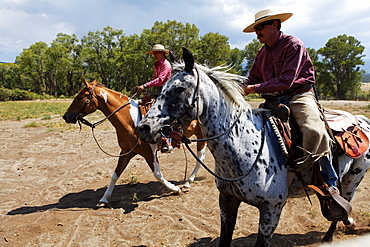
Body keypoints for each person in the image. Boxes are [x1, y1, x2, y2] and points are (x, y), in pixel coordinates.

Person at [241, 9, 339, 193]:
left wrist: (253, 89)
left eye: (260, 27)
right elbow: (251, 78)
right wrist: (236, 88)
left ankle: (329, 181)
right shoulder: (261, 53)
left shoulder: (293, 45)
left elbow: (287, 80)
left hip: (299, 96)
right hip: (274, 99)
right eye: (256, 28)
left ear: (275, 25)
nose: (257, 32)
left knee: (314, 130)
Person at [136, 44, 173, 153]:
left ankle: (167, 141)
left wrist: (145, 85)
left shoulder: (166, 65)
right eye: (153, 53)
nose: (154, 55)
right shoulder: (156, 65)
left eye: (156, 53)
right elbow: (155, 79)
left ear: (162, 53)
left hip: (167, 92)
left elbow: (161, 80)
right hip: (159, 92)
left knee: (164, 114)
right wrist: (149, 90)